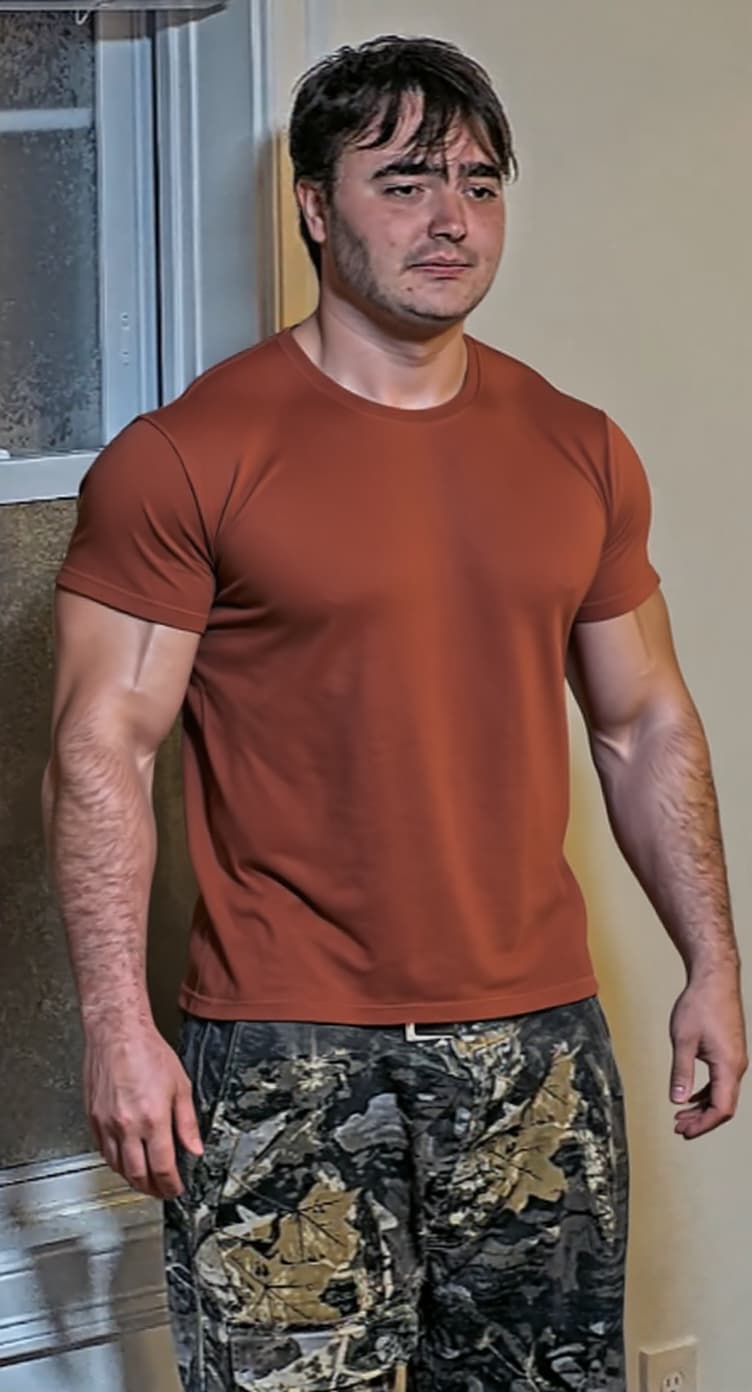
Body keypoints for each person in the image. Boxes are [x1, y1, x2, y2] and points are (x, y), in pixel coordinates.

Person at [43, 32, 746, 1392]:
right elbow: (99, 750)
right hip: (283, 1046)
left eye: (479, 184)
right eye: (407, 181)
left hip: (536, 1044)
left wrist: (710, 963)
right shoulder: (187, 457)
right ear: (317, 206)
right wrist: (119, 1027)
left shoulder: (579, 447)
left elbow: (644, 723)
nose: (451, 219)